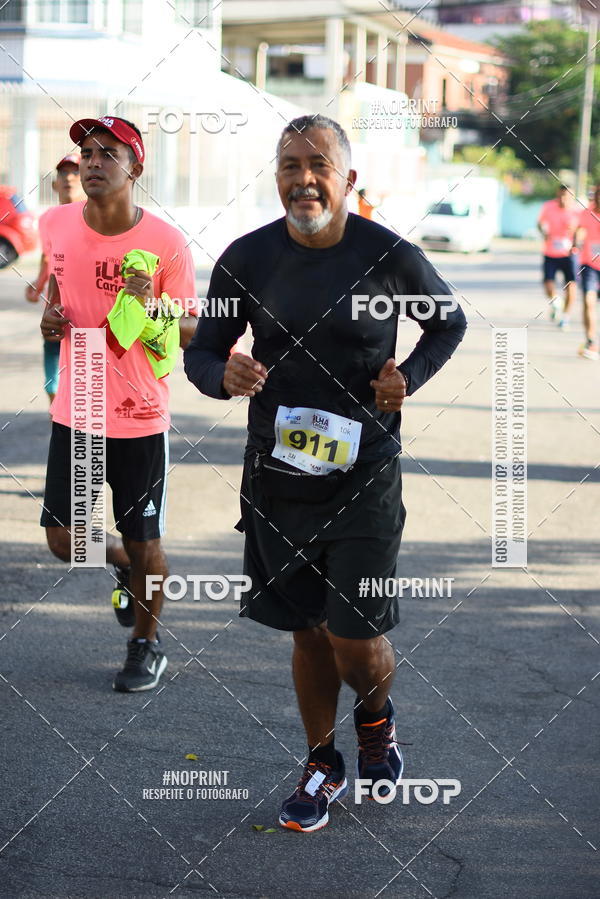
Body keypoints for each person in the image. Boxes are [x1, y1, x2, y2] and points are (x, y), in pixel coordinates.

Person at [184, 114, 466, 831]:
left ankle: (376, 716)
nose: (302, 178)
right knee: (307, 630)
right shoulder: (246, 258)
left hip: (365, 472)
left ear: (348, 179)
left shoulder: (388, 255)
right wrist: (225, 373)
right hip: (278, 475)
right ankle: (320, 761)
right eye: (288, 165)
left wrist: (410, 374)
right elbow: (202, 348)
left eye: (318, 164)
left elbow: (448, 322)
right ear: (275, 176)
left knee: (354, 634)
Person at [39, 115, 198, 691]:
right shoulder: (54, 223)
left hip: (137, 415)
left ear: (136, 167)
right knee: (65, 540)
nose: (93, 161)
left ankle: (146, 645)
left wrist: (152, 304)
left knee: (146, 539)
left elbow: (190, 333)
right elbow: (57, 291)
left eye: (109, 152)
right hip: (76, 410)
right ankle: (125, 567)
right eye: (86, 151)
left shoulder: (164, 242)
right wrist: (51, 319)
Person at [25, 152, 85, 403]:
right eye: (63, 173)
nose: (69, 178)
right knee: (52, 351)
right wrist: (38, 284)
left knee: (85, 371)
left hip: (87, 309)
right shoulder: (47, 219)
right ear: (54, 183)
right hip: (57, 305)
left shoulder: (93, 214)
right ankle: (55, 408)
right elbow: (47, 256)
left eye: (75, 172)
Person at [537, 184, 578, 329]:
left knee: (571, 286)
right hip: (550, 253)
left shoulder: (577, 212)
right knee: (548, 284)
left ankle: (565, 317)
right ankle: (555, 303)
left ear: (572, 197)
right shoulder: (548, 207)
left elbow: (584, 230)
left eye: (566, 196)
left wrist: (576, 241)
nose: (562, 199)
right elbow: (540, 223)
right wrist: (544, 231)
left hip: (570, 254)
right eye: (560, 195)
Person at [573, 185, 600, 360]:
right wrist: (576, 241)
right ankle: (591, 341)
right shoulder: (586, 213)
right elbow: (580, 230)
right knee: (588, 302)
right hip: (590, 265)